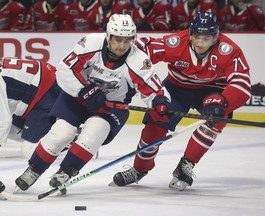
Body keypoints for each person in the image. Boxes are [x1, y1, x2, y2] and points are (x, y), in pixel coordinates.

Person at [15, 14, 171, 192]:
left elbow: (155, 89)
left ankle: (65, 172)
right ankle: (34, 169)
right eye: (118, 39)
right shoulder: (89, 44)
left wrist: (160, 102)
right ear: (108, 36)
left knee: (95, 132)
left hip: (110, 105)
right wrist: (83, 90)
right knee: (61, 133)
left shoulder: (138, 60)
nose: (121, 46)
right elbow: (64, 69)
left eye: (127, 41)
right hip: (77, 96)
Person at [111, 11, 251, 191]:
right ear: (190, 34)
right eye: (197, 37)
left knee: (217, 120)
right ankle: (139, 169)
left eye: (206, 38)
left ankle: (186, 165)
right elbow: (142, 47)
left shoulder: (229, 50)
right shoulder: (176, 43)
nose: (200, 44)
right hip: (176, 89)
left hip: (212, 91)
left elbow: (242, 83)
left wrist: (223, 101)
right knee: (155, 124)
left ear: (216, 37)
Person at [0, 57, 61, 158]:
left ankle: (68, 136)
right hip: (41, 87)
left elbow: (3, 123)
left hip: (49, 91)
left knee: (29, 151)